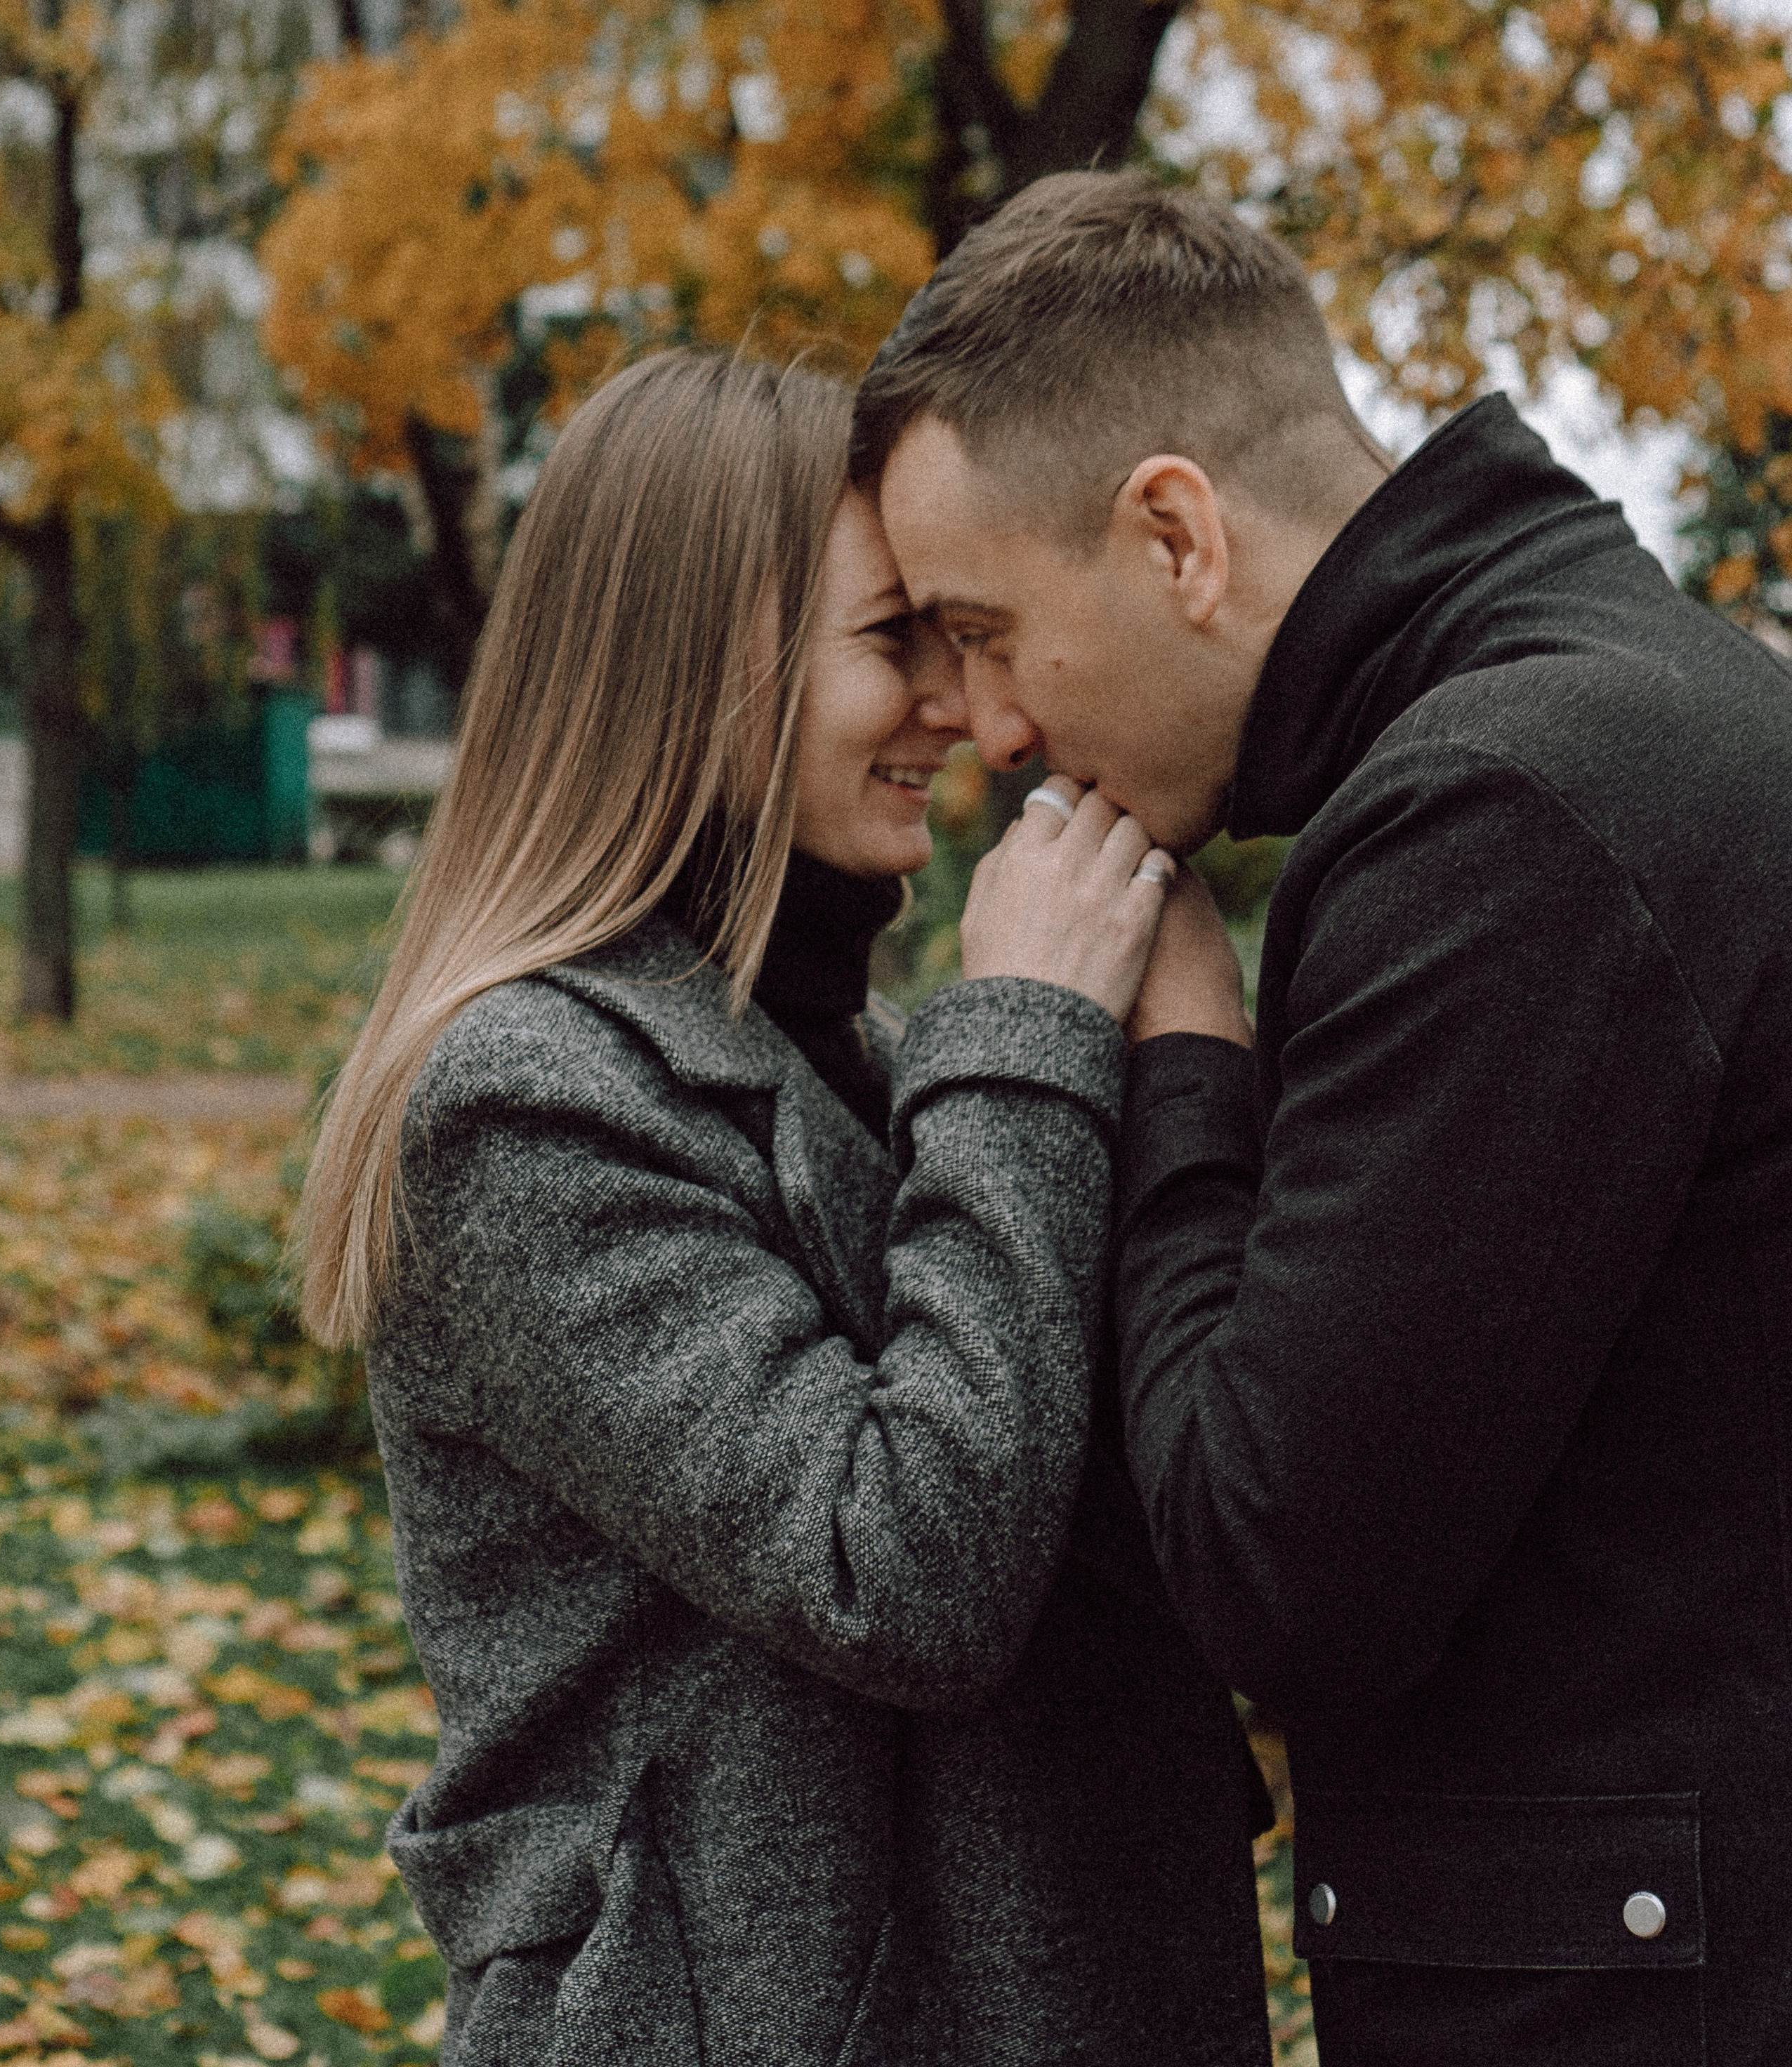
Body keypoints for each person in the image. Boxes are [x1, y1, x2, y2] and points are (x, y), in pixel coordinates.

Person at [853, 167, 1792, 2067]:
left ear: (1178, 533)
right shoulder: (1631, 703)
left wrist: (1185, 1060)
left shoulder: (1504, 813)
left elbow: (1275, 1578)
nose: (994, 730)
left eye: (986, 626)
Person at [297, 348, 1273, 2067]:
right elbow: (896, 1573)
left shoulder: (880, 1066)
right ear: (702, 671)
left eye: (958, 643)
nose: (961, 712)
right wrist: (1035, 1041)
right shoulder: (531, 1097)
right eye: (893, 641)